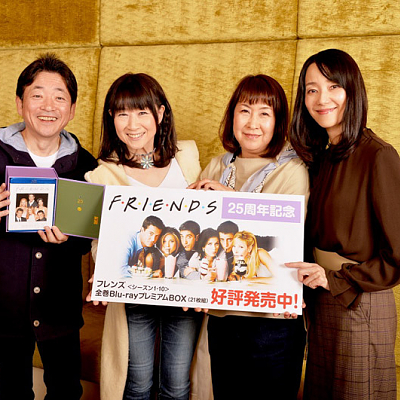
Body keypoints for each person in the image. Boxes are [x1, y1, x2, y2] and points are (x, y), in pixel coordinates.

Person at [287, 48, 400, 400]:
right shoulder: (321, 158)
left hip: (360, 300)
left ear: (352, 90)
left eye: (333, 86)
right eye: (312, 89)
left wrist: (337, 280)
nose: (322, 99)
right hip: (322, 298)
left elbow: (398, 254)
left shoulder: (378, 155)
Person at [189, 74, 309, 399]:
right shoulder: (216, 166)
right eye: (244, 110)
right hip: (222, 316)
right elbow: (203, 239)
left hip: (272, 320)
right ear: (232, 117)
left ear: (279, 122)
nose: (252, 123)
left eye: (264, 113)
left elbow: (279, 237)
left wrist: (226, 198)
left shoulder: (292, 170)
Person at [85, 73, 203, 400]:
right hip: (134, 292)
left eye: (142, 112)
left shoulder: (187, 157)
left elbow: (206, 220)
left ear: (160, 113)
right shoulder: (102, 174)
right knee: (136, 384)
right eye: (123, 113)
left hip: (183, 292)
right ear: (111, 117)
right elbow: (99, 239)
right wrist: (104, 269)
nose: (132, 124)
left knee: (177, 384)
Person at [0, 53, 97, 400]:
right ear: (19, 102)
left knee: (66, 392)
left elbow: (89, 241)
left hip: (60, 310)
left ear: (71, 110)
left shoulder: (87, 165)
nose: (48, 106)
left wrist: (70, 238)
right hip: (3, 310)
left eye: (59, 97)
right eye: (37, 95)